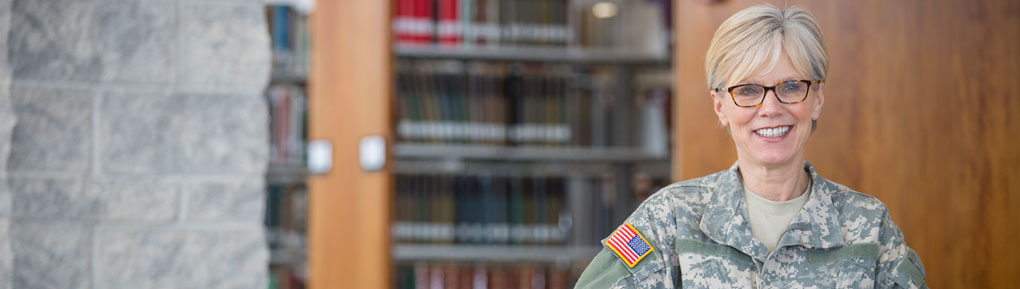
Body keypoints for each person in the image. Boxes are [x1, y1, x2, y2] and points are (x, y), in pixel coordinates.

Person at [574, 5, 927, 289]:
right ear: (720, 106)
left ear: (817, 98)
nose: (770, 108)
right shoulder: (670, 219)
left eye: (790, 86)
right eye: (747, 90)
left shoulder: (869, 229)